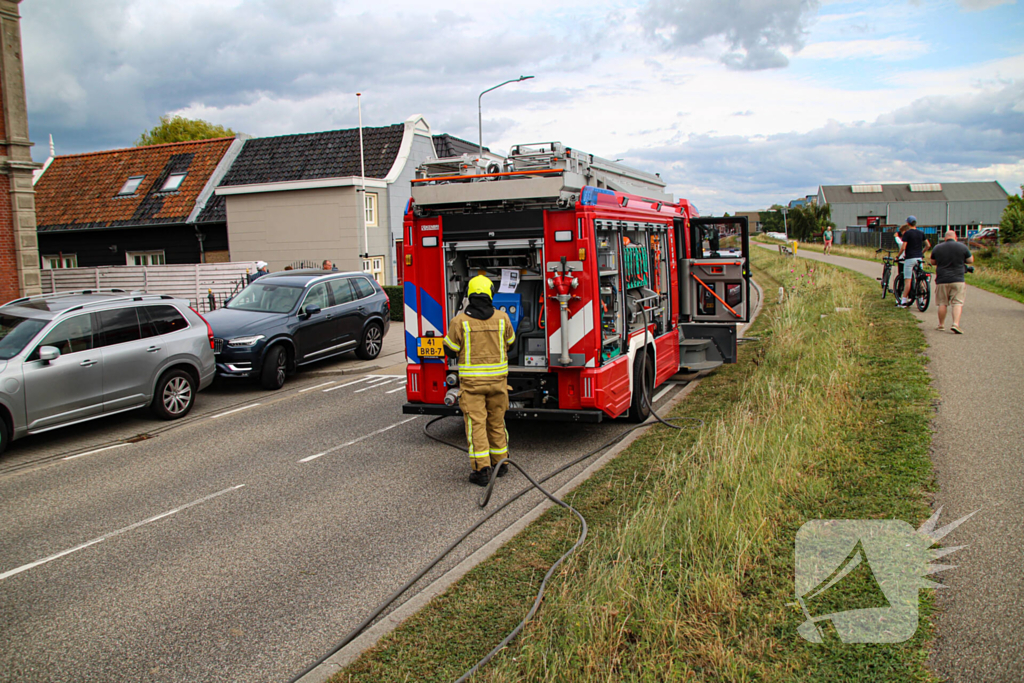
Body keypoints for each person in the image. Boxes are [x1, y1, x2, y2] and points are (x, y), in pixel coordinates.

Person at [443, 275, 516, 486]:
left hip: (473, 386)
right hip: (498, 384)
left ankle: (482, 470)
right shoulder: (502, 318)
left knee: (476, 426)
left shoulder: (459, 322)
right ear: (490, 294)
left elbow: (451, 350)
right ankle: (501, 464)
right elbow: (510, 342)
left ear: (470, 295)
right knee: (497, 422)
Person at [930, 229, 973, 334]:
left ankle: (941, 325)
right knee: (957, 303)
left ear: (945, 238)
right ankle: (955, 324)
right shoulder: (962, 247)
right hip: (958, 279)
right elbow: (970, 260)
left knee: (942, 303)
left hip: (942, 279)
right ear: (955, 237)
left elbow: (932, 261)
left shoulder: (937, 247)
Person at [896, 216, 930, 307]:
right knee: (920, 277)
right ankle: (921, 299)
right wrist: (921, 252)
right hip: (919, 258)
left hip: (910, 258)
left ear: (908, 223)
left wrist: (898, 256)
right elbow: (928, 245)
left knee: (908, 280)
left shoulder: (907, 233)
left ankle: (903, 301)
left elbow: (903, 247)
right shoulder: (921, 233)